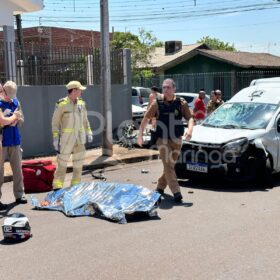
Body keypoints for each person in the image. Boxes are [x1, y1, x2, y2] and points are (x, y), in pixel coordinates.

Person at [137, 78, 194, 203]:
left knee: (170, 166)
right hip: (162, 139)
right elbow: (146, 118)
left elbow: (190, 118)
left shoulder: (181, 102)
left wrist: (190, 130)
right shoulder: (157, 103)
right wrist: (140, 134)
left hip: (177, 139)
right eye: (164, 87)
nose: (166, 90)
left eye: (168, 87)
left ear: (174, 89)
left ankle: (160, 187)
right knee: (168, 164)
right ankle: (176, 192)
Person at [52, 80, 93, 190]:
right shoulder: (62, 104)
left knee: (78, 166)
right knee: (62, 165)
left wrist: (88, 131)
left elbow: (85, 120)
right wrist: (55, 138)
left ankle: (75, 187)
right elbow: (55, 122)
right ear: (74, 90)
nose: (81, 92)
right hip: (66, 140)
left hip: (80, 140)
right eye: (80, 90)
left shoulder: (81, 103)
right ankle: (57, 187)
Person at [0, 81, 25, 210]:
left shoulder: (16, 102)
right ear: (4, 91)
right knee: (0, 172)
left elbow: (22, 118)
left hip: (15, 140)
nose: (11, 97)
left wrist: (17, 120)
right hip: (2, 142)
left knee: (17, 169)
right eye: (8, 94)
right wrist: (8, 120)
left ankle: (19, 195)